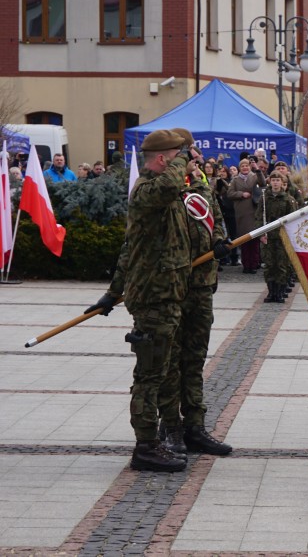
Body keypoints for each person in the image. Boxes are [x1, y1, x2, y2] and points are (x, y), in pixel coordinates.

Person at [85, 129, 193, 472]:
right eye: (178, 157)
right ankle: (145, 446)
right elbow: (170, 184)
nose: (184, 164)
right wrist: (185, 158)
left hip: (168, 295)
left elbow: (131, 249)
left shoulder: (164, 196)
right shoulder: (149, 191)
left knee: (161, 372)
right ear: (162, 159)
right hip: (153, 299)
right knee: (149, 375)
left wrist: (113, 291)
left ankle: (158, 438)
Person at [157, 140, 234, 458]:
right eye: (186, 155)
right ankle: (170, 427)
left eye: (195, 155)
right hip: (172, 287)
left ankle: (195, 426)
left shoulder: (203, 187)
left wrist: (219, 242)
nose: (194, 161)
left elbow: (216, 220)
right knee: (171, 362)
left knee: (194, 359)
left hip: (201, 287)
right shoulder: (163, 189)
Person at [261, 171, 298, 303]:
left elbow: (293, 219)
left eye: (278, 180)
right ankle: (271, 292)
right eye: (273, 180)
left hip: (282, 236)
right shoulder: (264, 198)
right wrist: (261, 234)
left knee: (282, 265)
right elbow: (259, 216)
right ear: (269, 182)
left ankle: (280, 292)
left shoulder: (288, 199)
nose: (275, 183)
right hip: (268, 236)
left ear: (283, 183)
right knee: (269, 265)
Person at [227, 157, 265, 273]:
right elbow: (230, 193)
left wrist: (257, 170)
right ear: (239, 168)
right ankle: (246, 265)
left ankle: (253, 265)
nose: (245, 167)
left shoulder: (254, 177)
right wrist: (241, 194)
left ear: (249, 167)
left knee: (254, 241)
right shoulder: (235, 180)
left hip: (253, 212)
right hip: (241, 213)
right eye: (242, 166)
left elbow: (262, 183)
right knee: (244, 242)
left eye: (247, 165)